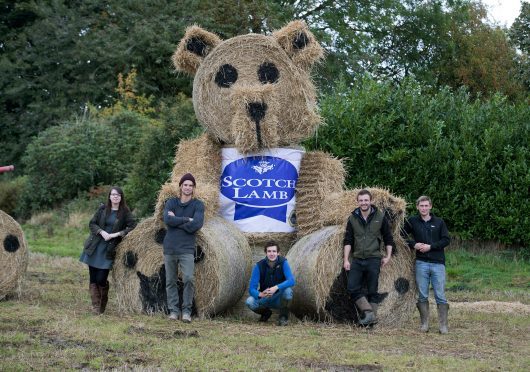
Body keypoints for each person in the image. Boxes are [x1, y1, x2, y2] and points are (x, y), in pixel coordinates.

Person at [80, 186, 136, 314]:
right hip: (95, 246)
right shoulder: (102, 209)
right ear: (109, 197)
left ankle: (102, 303)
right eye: (113, 194)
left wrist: (117, 234)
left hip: (109, 248)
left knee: (101, 278)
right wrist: (101, 232)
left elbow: (132, 226)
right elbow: (92, 224)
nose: (115, 197)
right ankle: (96, 307)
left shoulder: (125, 212)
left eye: (118, 195)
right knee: (93, 278)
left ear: (121, 197)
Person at [343, 189, 394, 326]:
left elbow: (388, 238)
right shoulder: (352, 218)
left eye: (366, 200)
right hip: (358, 258)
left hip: (373, 259)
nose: (364, 203)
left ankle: (371, 322)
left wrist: (388, 256)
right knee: (352, 288)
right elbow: (348, 240)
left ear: (371, 201)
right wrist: (346, 259)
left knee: (372, 290)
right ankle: (369, 314)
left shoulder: (380, 216)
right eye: (361, 200)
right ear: (357, 202)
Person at [402, 195, 450, 334]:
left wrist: (431, 247)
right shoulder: (412, 221)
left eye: (426, 205)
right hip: (421, 263)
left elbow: (446, 240)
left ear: (430, 206)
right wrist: (413, 244)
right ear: (417, 207)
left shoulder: (439, 222)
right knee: (422, 295)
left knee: (440, 295)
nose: (423, 208)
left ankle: (443, 326)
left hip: (438, 264)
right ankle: (424, 324)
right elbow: (401, 235)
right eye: (421, 206)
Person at [163, 173, 204, 323]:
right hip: (170, 247)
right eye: (185, 185)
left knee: (188, 278)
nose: (187, 187)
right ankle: (174, 311)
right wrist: (187, 219)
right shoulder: (171, 202)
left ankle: (186, 311)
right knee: (170, 281)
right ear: (180, 186)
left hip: (186, 248)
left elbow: (197, 224)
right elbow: (167, 220)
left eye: (190, 185)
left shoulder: (198, 205)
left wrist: (176, 221)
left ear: (193, 188)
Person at [246, 241, 295, 326]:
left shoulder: (283, 262)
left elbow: (291, 281)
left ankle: (283, 317)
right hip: (265, 298)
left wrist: (276, 287)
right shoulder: (259, 266)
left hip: (278, 299)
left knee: (288, 292)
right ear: (265, 252)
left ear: (278, 253)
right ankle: (266, 313)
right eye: (269, 251)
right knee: (249, 301)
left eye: (274, 251)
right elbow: (251, 289)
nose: (271, 254)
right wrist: (260, 294)